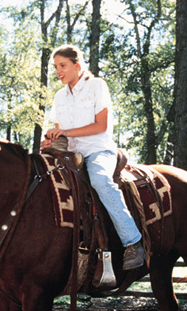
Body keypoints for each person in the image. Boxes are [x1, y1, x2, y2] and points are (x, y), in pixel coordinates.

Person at [40, 44, 145, 270]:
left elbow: (101, 125)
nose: (58, 71)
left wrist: (65, 132)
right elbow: (61, 134)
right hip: (71, 154)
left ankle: (133, 242)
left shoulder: (97, 86)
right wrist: (51, 141)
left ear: (77, 66)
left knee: (100, 180)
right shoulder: (60, 96)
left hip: (99, 150)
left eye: (63, 65)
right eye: (56, 67)